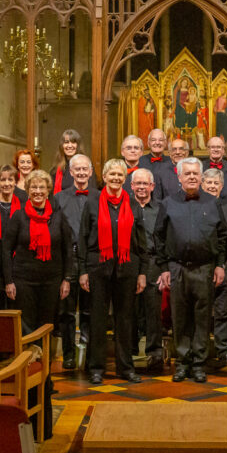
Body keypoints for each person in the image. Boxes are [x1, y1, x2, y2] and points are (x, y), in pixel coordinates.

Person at [154, 158, 227, 383]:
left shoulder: (212, 203)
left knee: (202, 318)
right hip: (177, 267)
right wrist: (164, 267)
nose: (192, 177)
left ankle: (198, 363)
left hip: (204, 268)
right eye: (188, 174)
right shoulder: (168, 203)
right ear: (179, 177)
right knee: (180, 317)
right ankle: (182, 362)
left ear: (202, 176)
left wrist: (219, 264)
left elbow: (222, 235)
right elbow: (158, 236)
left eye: (196, 173)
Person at [78, 159, 148, 384]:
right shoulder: (92, 203)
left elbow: (141, 242)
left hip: (127, 269)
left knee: (125, 320)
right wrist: (82, 271)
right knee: (98, 320)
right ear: (105, 177)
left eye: (120, 175)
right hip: (98, 267)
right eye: (112, 174)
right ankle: (96, 367)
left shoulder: (133, 204)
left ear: (124, 178)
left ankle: (125, 368)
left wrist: (142, 272)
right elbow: (82, 238)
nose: (116, 178)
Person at [2, 169, 73, 334]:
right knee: (26, 322)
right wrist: (8, 281)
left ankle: (44, 357)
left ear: (48, 190)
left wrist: (67, 279)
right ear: (27, 191)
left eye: (42, 187)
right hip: (23, 280)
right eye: (34, 187)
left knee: (47, 322)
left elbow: (68, 249)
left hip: (52, 280)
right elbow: (6, 250)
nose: (38, 191)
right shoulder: (18, 216)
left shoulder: (58, 217)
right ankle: (29, 357)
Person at [53, 153, 97, 370]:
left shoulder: (99, 196)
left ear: (90, 172)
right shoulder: (59, 198)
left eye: (84, 169)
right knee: (67, 311)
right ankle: (69, 355)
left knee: (89, 309)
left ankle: (88, 355)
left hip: (91, 259)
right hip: (68, 259)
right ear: (70, 173)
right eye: (76, 169)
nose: (81, 173)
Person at [129, 168, 164, 371]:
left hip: (153, 263)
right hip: (130, 262)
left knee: (153, 311)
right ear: (132, 186)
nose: (141, 187)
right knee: (129, 309)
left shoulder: (160, 208)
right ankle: (130, 350)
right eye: (138, 183)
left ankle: (154, 353)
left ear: (152, 186)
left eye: (145, 184)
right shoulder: (124, 206)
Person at [201, 167, 227, 366]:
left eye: (216, 184)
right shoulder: (196, 205)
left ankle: (223, 349)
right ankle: (202, 349)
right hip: (202, 266)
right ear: (202, 185)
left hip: (225, 263)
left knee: (224, 310)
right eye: (209, 183)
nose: (212, 187)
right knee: (202, 310)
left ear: (221, 187)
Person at [49, 129, 95, 194]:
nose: (70, 146)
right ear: (62, 146)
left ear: (78, 146)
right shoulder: (55, 170)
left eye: (73, 142)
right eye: (66, 142)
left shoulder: (86, 166)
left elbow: (92, 191)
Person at [139, 129, 174, 198]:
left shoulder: (172, 162)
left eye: (161, 140)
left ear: (165, 143)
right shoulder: (140, 161)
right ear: (148, 143)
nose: (157, 143)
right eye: (153, 140)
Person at [0, 165, 22, 242]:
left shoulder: (23, 206)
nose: (6, 183)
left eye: (10, 179)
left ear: (16, 182)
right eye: (3, 180)